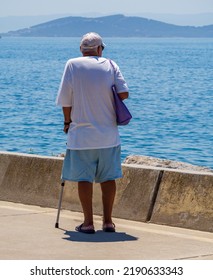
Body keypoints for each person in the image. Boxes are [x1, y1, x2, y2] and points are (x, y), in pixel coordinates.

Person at [56, 32, 129, 234]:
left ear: (81, 49)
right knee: (108, 178)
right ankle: (108, 222)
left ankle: (88, 223)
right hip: (108, 135)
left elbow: (65, 100)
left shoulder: (72, 64)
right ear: (99, 49)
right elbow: (124, 94)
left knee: (84, 179)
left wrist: (67, 122)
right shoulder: (110, 64)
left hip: (81, 136)